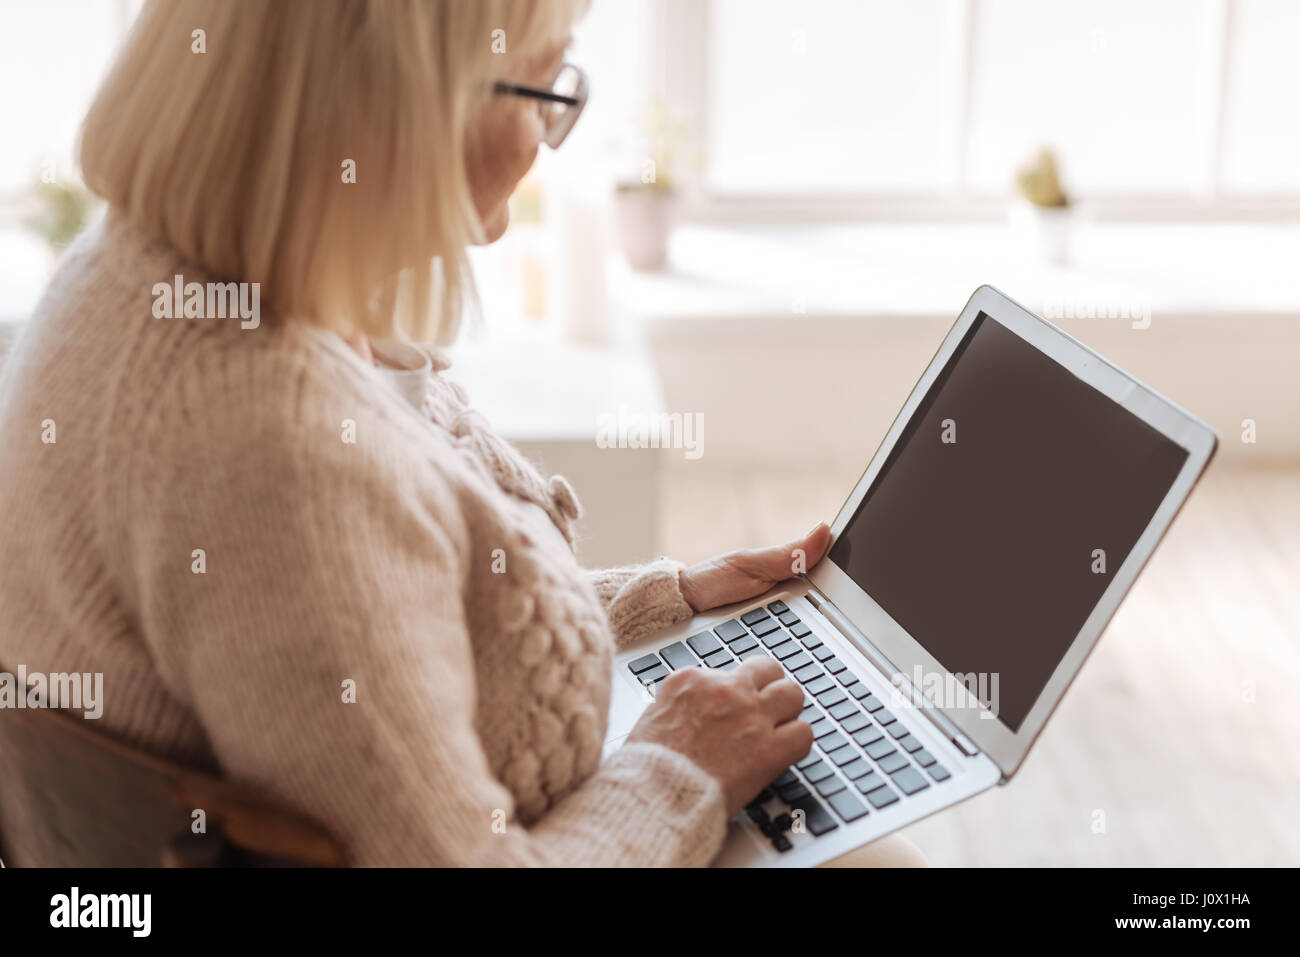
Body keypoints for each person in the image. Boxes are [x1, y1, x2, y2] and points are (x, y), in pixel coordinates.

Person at [0, 0, 924, 867]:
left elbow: (388, 636)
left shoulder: (140, 274)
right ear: (405, 108)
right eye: (546, 87)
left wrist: (669, 599)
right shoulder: (274, 449)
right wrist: (678, 770)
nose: (549, 141)